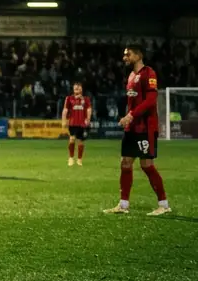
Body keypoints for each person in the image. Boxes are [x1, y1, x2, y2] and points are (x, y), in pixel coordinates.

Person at [104, 45, 171, 215]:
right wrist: (129, 117)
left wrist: (131, 115)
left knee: (146, 164)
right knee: (125, 163)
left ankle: (163, 205)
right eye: (124, 54)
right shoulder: (131, 75)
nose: (124, 57)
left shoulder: (149, 73)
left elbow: (150, 101)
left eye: (128, 54)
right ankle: (123, 205)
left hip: (145, 127)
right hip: (132, 127)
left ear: (139, 55)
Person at [62, 81, 92, 167]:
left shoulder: (86, 99)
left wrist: (88, 119)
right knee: (71, 139)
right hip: (72, 123)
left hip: (82, 123)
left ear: (81, 89)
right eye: (75, 87)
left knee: (80, 142)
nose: (77, 88)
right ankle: (71, 158)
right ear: (73, 89)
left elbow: (89, 109)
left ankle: (79, 159)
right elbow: (65, 110)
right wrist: (64, 120)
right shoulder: (69, 98)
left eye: (79, 87)